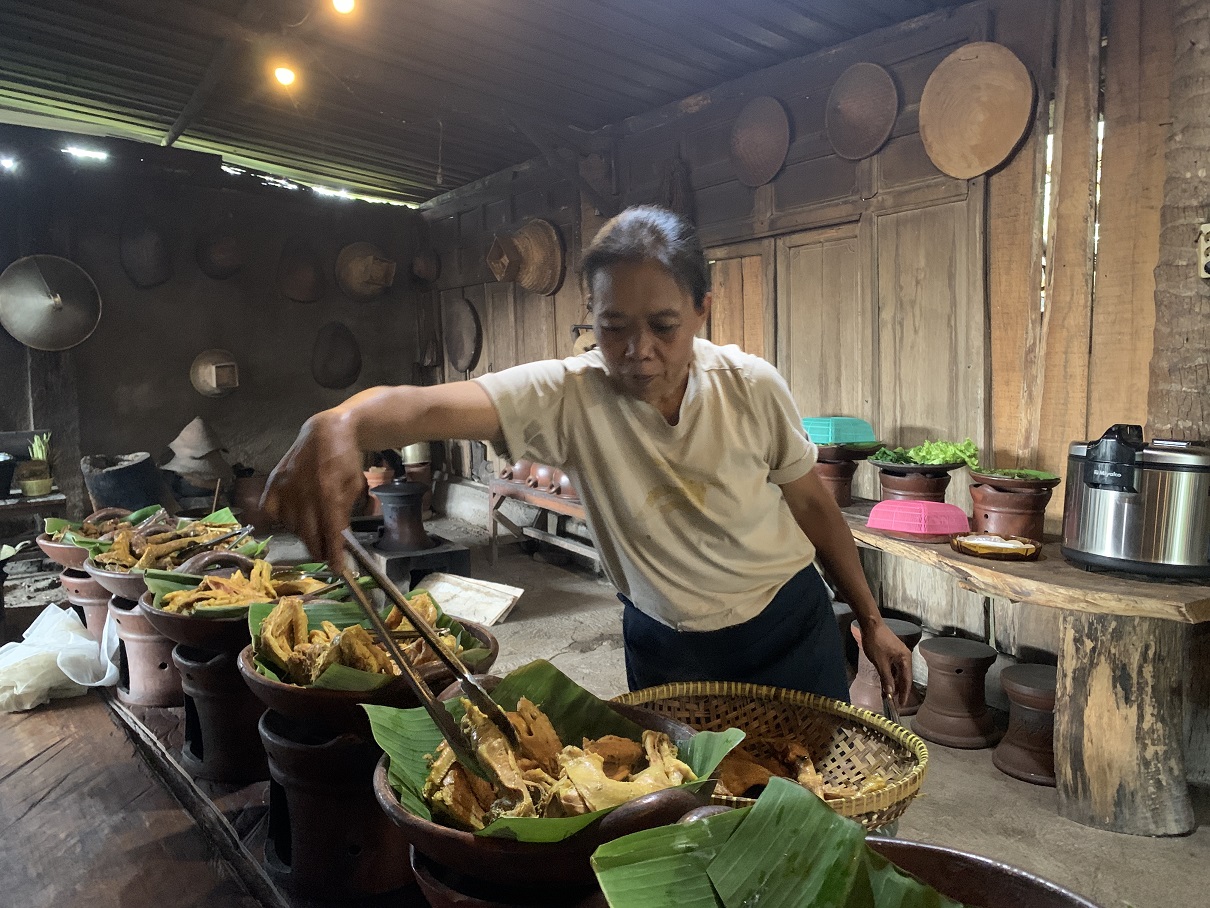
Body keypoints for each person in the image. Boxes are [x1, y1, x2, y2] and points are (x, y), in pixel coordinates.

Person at [263, 206, 913, 705]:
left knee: (811, 815)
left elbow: (812, 506)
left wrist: (871, 619)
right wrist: (339, 421)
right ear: (591, 316)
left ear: (701, 310)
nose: (637, 352)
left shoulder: (751, 387)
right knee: (685, 822)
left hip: (786, 631)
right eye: (613, 326)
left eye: (663, 325)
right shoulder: (570, 396)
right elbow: (428, 407)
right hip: (666, 646)